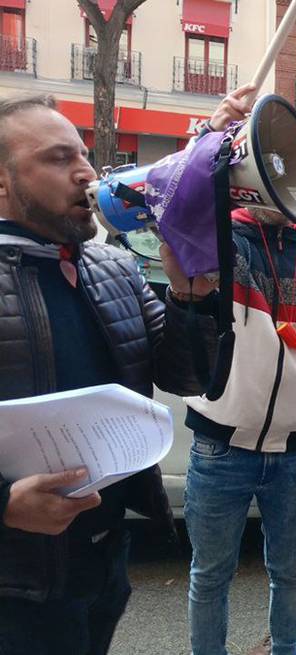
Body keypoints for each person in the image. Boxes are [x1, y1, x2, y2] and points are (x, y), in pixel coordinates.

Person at [0, 94, 216, 655]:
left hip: (100, 559)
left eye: (83, 155)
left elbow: (185, 376)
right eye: (56, 158)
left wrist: (190, 294)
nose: (85, 173)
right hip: (14, 583)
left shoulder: (113, 267)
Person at [183, 86, 296, 655]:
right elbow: (177, 208)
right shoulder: (219, 247)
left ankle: (287, 649)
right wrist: (212, 136)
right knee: (209, 575)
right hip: (220, 448)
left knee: (294, 569)